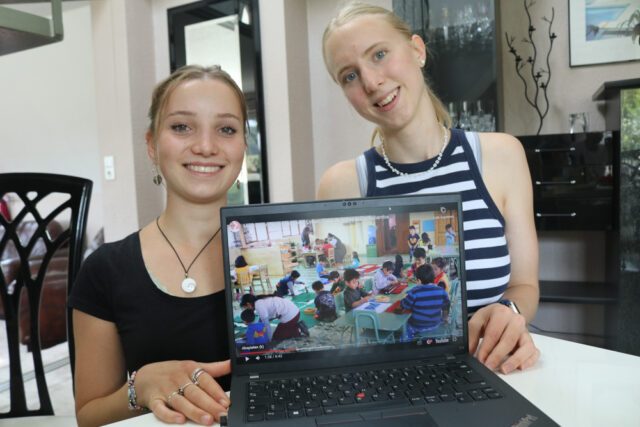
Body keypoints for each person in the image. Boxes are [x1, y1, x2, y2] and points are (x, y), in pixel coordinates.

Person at [317, 2, 539, 374]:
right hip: (388, 380)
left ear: (417, 50)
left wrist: (510, 313)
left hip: (490, 371)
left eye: (380, 54)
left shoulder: (501, 155)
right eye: (349, 76)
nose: (371, 82)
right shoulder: (341, 183)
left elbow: (524, 285)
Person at [69, 65, 246, 426]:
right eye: (182, 126)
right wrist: (141, 385)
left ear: (243, 145)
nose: (205, 146)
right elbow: (89, 417)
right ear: (151, 144)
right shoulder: (104, 270)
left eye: (226, 129)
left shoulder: (275, 249)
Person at [396, 264, 450, 340]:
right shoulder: (441, 291)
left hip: (417, 326)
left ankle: (407, 343)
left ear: (419, 281)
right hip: (435, 324)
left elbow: (404, 305)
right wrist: (445, 318)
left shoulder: (414, 292)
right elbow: (446, 306)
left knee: (404, 327)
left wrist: (402, 301)